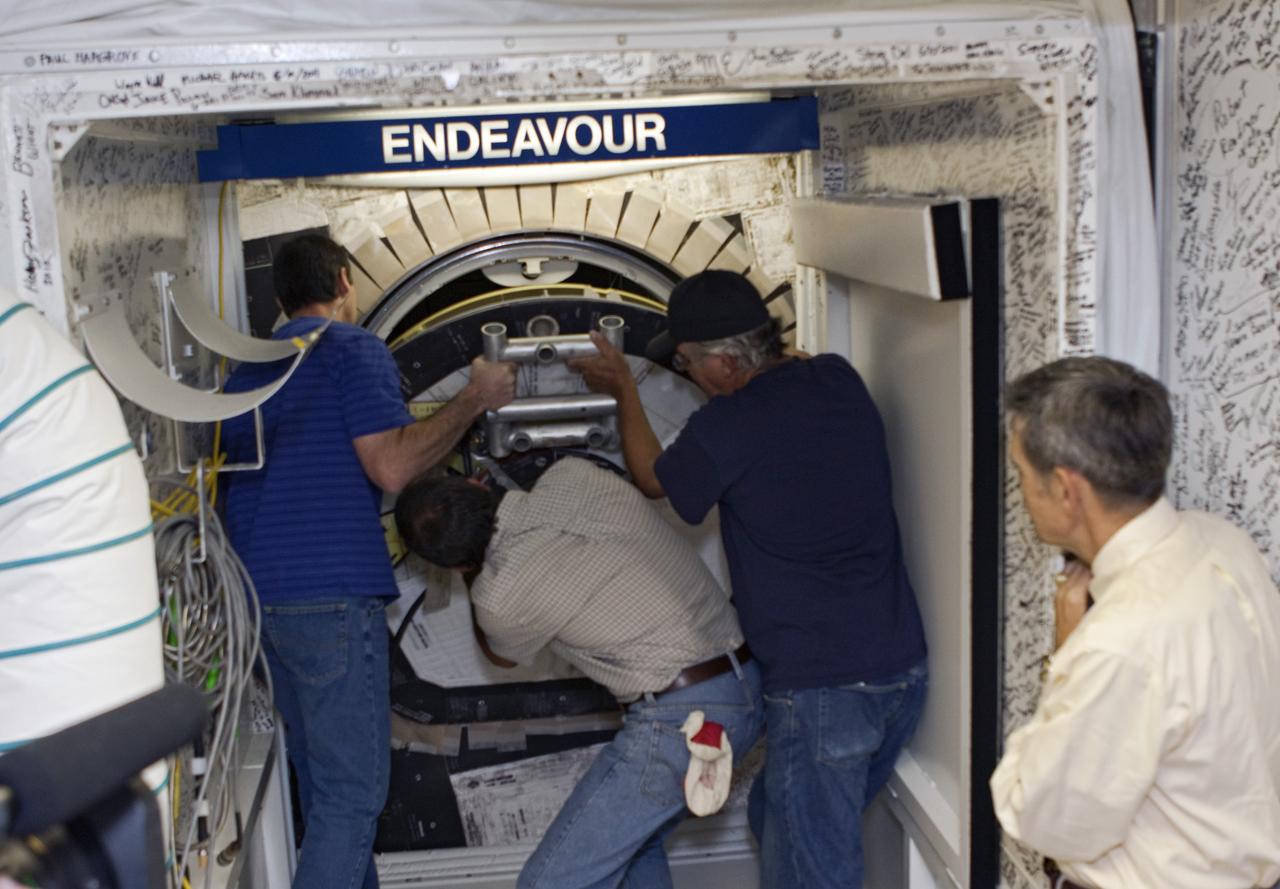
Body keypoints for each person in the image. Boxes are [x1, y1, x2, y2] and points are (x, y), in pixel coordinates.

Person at [569, 269, 927, 889]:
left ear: (726, 365)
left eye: (685, 363)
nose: (687, 376)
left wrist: (624, 387)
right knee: (777, 820)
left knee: (811, 874)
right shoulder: (837, 377)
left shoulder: (727, 427)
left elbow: (656, 479)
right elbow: (793, 376)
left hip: (824, 691)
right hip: (900, 671)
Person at [221, 233, 515, 889]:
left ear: (281, 296)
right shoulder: (351, 348)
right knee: (353, 799)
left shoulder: (249, 367)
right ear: (345, 281)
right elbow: (390, 464)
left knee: (326, 795)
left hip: (258, 603)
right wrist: (475, 397)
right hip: (329, 597)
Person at [394, 455, 763, 889]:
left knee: (547, 883)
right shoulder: (573, 473)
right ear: (477, 486)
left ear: (456, 567)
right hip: (746, 688)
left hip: (679, 724)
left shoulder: (498, 599)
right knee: (633, 850)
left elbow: (501, 655)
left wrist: (475, 572)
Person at [990, 356, 1280, 889]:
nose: (1021, 494)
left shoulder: (1119, 642)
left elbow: (1046, 818)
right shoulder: (1225, 543)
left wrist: (1066, 660)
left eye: (1022, 475)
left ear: (1065, 490)